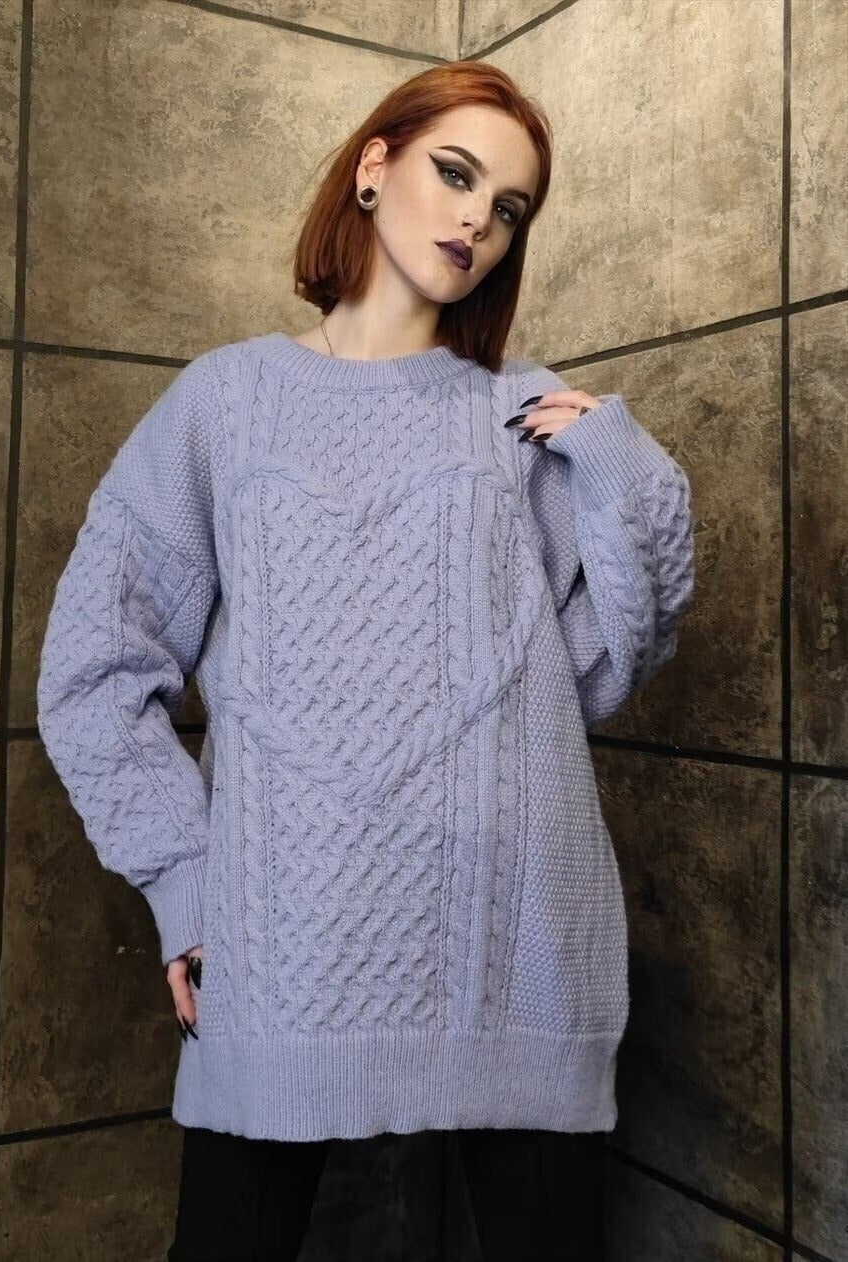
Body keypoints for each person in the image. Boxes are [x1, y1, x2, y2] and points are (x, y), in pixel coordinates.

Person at [36, 59, 695, 1262]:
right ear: (374, 166)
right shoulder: (226, 402)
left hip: (517, 950)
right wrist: (184, 879)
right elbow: (95, 660)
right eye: (458, 174)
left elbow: (608, 661)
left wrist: (618, 465)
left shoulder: (523, 413)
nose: (478, 221)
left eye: (509, 208)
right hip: (282, 944)